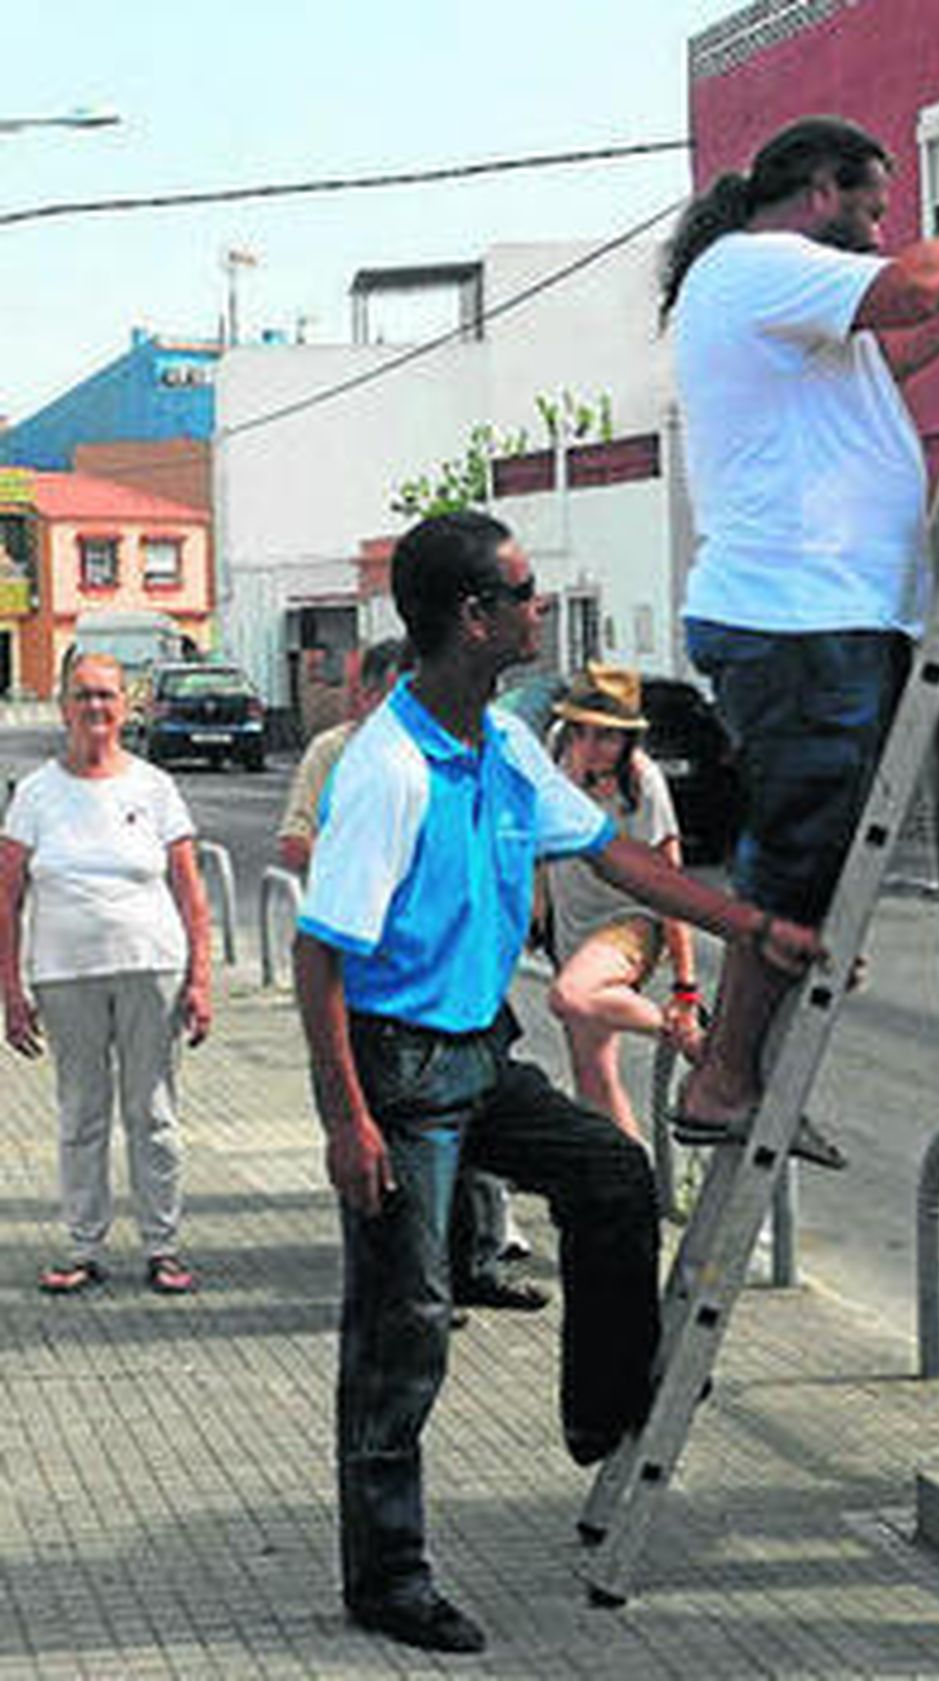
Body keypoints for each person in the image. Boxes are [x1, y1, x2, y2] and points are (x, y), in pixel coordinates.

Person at [293, 510, 820, 1656]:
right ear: (474, 617)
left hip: (477, 1049)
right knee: (407, 1324)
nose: (539, 609)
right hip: (396, 1066)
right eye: (525, 593)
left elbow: (613, 853)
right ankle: (386, 1576)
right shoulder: (389, 768)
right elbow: (319, 950)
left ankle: (601, 1412)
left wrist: (753, 927)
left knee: (613, 1175)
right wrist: (346, 1119)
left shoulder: (502, 742)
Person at [660, 115, 939, 1164]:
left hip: (825, 614)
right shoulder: (760, 264)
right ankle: (725, 1077)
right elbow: (914, 289)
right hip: (801, 615)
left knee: (817, 860)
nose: (880, 224)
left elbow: (901, 338)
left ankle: (740, 1069)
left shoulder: (782, 299)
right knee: (798, 862)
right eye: (871, 204)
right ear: (816, 189)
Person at [279, 636, 542, 1316]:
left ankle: (473, 1261)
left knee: (570, 1169)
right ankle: (429, 1287)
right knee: (405, 1280)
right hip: (394, 1029)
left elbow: (585, 841)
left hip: (471, 1015)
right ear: (372, 690)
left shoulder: (492, 744)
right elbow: (315, 928)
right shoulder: (359, 759)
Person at [0, 653, 212, 1296]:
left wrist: (200, 978)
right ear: (64, 705)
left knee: (153, 1113)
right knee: (82, 1113)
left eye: (107, 696)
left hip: (152, 968)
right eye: (83, 696)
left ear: (126, 705)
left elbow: (190, 890)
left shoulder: (153, 787)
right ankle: (84, 1247)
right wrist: (11, 990)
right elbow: (8, 897)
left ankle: (163, 1246)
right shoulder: (36, 793)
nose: (96, 708)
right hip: (66, 976)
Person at [544, 663, 704, 1139]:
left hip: (630, 922)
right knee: (593, 1079)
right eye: (584, 734)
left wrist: (685, 988)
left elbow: (671, 885)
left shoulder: (643, 781)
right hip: (570, 926)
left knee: (570, 996)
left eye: (608, 738)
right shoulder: (557, 749)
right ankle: (629, 1188)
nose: (592, 749)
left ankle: (689, 1038)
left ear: (628, 740)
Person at [276, 637, 409, 874]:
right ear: (369, 697)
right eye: (398, 698)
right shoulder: (332, 750)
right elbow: (294, 846)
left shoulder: (450, 758)